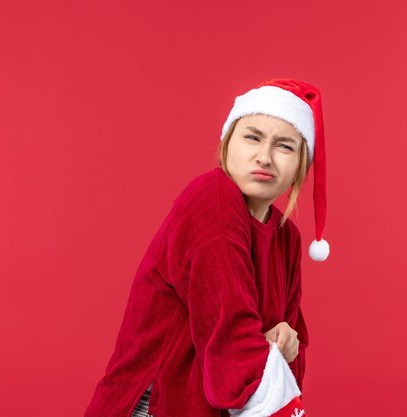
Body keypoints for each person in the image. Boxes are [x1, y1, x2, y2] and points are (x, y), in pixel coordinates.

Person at [83, 78, 330, 417]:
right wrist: (271, 357)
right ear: (228, 144)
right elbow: (230, 329)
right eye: (252, 137)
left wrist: (284, 344)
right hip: (156, 404)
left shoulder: (287, 238)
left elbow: (287, 359)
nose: (265, 156)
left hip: (216, 406)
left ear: (301, 165)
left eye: (285, 146)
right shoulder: (213, 198)